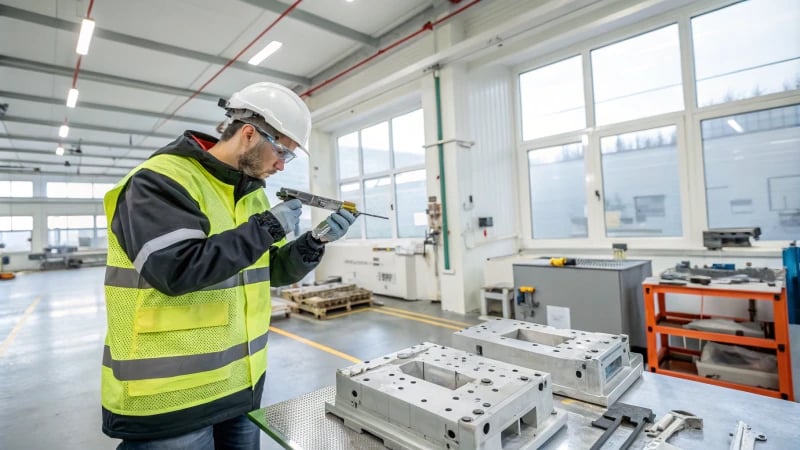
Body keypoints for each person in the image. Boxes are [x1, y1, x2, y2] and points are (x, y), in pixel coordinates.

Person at [100, 82, 355, 449]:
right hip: (170, 399)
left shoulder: (251, 196)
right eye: (282, 150)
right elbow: (175, 270)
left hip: (239, 386)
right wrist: (266, 228)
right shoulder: (161, 180)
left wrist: (315, 241)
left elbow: (272, 271)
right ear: (250, 134)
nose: (282, 164)